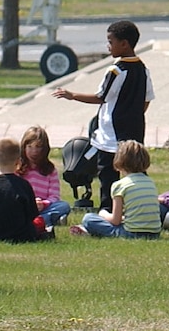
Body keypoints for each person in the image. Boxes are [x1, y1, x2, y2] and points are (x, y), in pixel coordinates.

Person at [55, 22, 154, 212]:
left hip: (111, 134)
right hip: (135, 131)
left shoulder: (116, 71)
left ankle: (108, 210)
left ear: (124, 44)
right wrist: (134, 115)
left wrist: (72, 95)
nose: (108, 46)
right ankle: (142, 206)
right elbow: (147, 99)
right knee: (136, 170)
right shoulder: (143, 69)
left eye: (110, 42)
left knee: (107, 172)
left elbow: (100, 97)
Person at [73, 140, 161, 239]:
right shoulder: (150, 182)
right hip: (155, 233)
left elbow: (115, 220)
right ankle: (89, 231)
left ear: (119, 161)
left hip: (131, 233)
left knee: (88, 218)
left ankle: (89, 230)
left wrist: (103, 214)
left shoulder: (119, 185)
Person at [0, 138, 49, 244]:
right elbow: (32, 214)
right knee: (39, 223)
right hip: (21, 236)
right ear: (18, 162)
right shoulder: (23, 185)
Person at [18, 125, 71, 229]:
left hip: (43, 207)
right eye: (30, 147)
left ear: (45, 149)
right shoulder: (17, 168)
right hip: (22, 206)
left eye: (38, 147)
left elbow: (54, 196)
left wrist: (43, 204)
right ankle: (51, 220)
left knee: (63, 206)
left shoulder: (50, 171)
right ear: (24, 148)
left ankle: (40, 221)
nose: (34, 151)